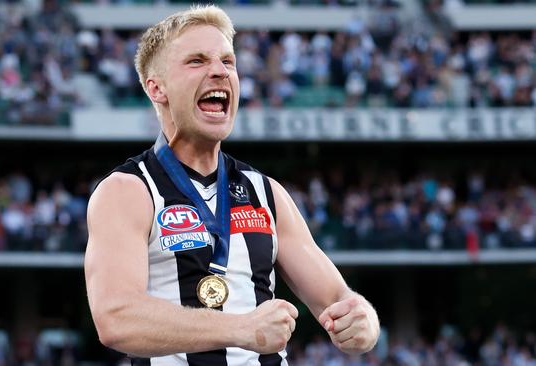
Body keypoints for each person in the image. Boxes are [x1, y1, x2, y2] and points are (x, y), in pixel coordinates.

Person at [84, 5, 380, 365]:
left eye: (228, 61)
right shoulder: (128, 190)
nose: (219, 72)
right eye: (197, 61)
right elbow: (116, 319)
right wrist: (239, 329)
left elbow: (338, 299)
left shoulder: (266, 193)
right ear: (156, 88)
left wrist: (363, 320)